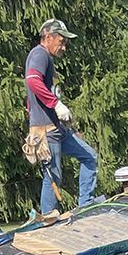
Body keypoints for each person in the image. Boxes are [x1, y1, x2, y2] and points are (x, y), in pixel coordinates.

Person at [24, 19, 98, 217]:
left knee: (89, 156)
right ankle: (48, 221)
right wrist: (55, 104)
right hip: (46, 131)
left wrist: (69, 127)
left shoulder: (46, 59)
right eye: (61, 41)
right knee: (53, 177)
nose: (64, 47)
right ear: (48, 37)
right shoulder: (39, 54)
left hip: (57, 129)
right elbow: (32, 80)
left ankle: (85, 206)